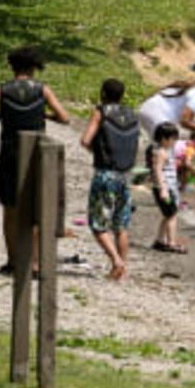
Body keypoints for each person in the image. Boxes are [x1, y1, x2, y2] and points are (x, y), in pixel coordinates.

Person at [0, 47, 70, 274]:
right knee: (37, 208)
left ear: (12, 66)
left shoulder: (1, 90)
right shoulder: (42, 90)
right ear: (33, 68)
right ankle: (35, 262)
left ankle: (13, 261)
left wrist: (3, 114)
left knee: (10, 208)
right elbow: (65, 117)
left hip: (11, 151)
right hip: (38, 152)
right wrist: (43, 114)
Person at [80, 79, 140, 280]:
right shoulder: (132, 114)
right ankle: (121, 273)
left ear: (103, 93)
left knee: (98, 224)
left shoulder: (101, 111)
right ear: (122, 95)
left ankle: (116, 261)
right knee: (121, 226)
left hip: (105, 174)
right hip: (125, 176)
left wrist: (95, 152)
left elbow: (85, 140)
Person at [138, 67, 195, 139]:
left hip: (147, 109)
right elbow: (184, 122)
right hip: (158, 115)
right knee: (166, 150)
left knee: (160, 148)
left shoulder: (193, 87)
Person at [148, 122, 186, 253]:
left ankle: (159, 241)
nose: (175, 141)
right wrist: (163, 190)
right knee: (172, 215)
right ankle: (171, 243)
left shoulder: (162, 150)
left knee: (168, 214)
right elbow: (157, 170)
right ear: (164, 138)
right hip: (165, 188)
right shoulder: (161, 153)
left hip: (168, 188)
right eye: (173, 139)